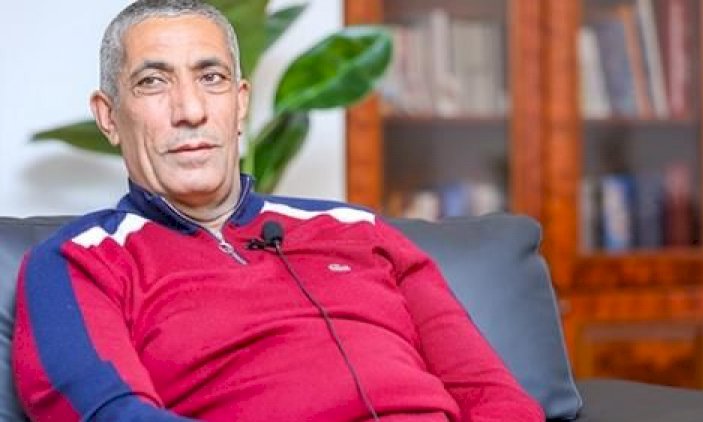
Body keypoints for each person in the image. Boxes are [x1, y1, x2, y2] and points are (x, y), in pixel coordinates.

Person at [11, 1, 544, 420]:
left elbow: (490, 393)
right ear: (109, 117)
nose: (191, 110)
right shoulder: (78, 263)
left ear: (240, 102)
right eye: (153, 81)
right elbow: (114, 415)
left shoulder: (360, 230)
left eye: (211, 78)